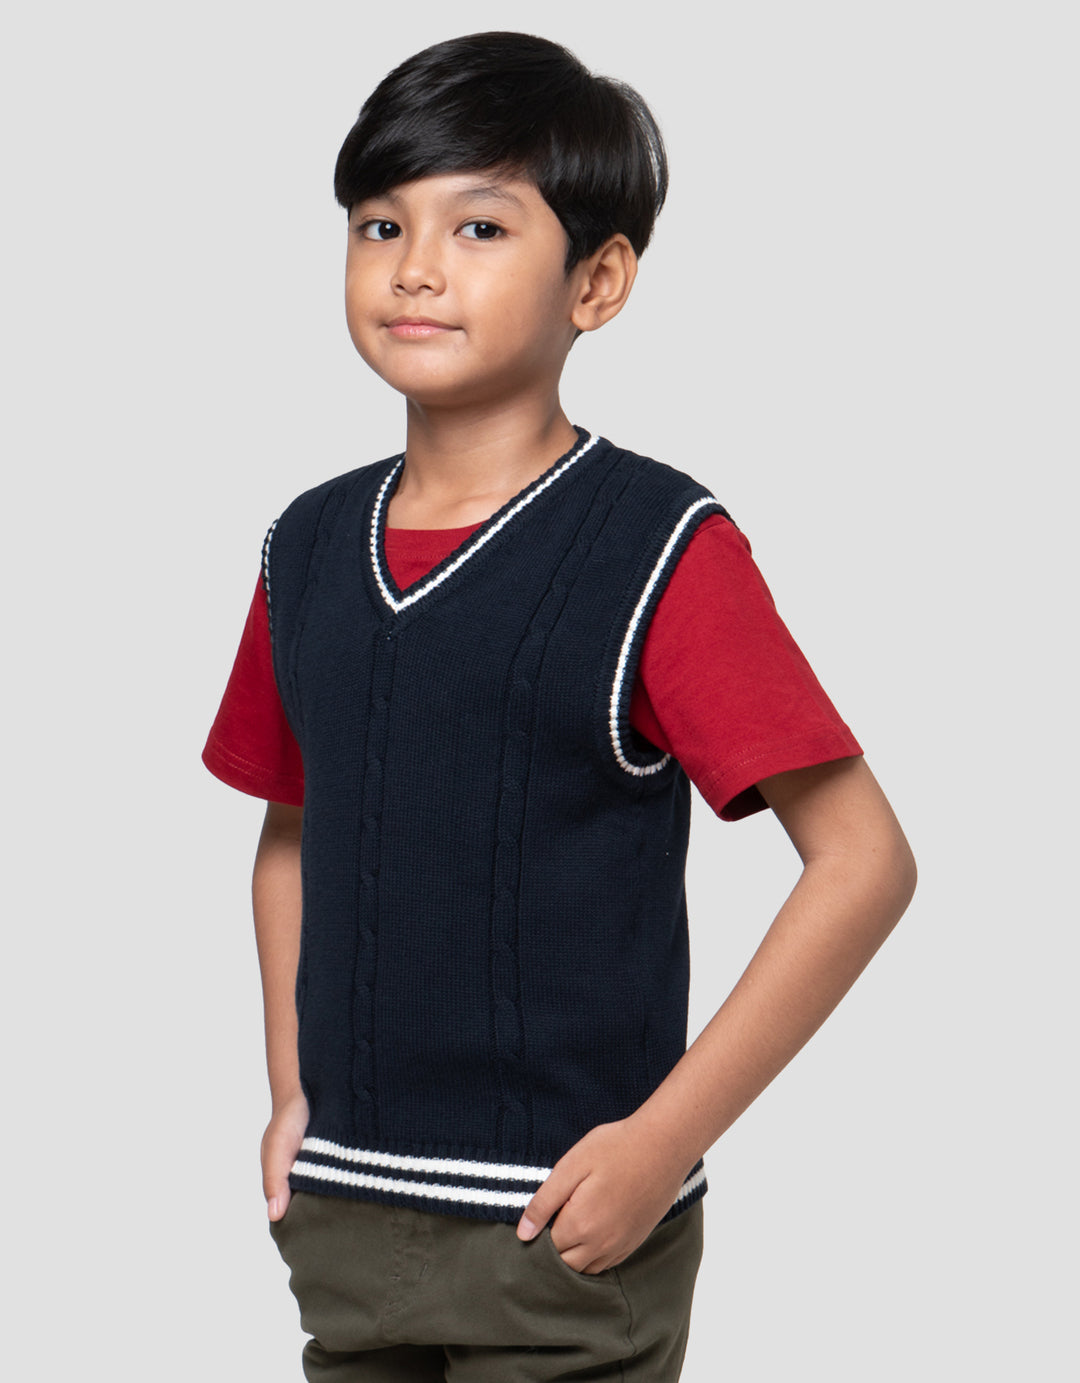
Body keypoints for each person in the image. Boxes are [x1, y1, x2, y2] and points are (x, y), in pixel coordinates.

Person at [203, 30, 916, 1382]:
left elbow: (864, 860)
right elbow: (293, 830)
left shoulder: (657, 547)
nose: (415, 266)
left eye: (479, 226)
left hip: (562, 1233)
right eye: (380, 224)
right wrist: (292, 1091)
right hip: (345, 1223)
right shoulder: (307, 547)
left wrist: (662, 1143)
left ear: (598, 280)